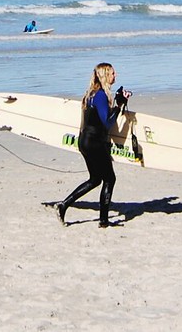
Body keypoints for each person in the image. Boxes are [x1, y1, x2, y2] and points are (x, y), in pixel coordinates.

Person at [55, 62, 129, 228]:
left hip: (85, 141)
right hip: (95, 143)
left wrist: (118, 101)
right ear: (105, 75)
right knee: (109, 178)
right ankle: (103, 221)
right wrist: (118, 106)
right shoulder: (101, 95)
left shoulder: (90, 94)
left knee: (95, 179)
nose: (115, 76)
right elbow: (107, 123)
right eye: (112, 73)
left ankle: (63, 205)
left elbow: (99, 117)